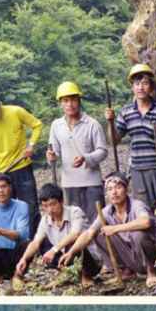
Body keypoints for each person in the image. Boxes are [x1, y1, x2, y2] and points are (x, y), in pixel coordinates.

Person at [59, 172, 156, 290]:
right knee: (100, 235)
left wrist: (115, 229)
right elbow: (89, 234)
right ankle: (126, 271)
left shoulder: (137, 205)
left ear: (126, 190)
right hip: (132, 256)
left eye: (118, 188)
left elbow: (145, 222)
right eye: (110, 189)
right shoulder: (106, 212)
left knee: (137, 234)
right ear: (106, 194)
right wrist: (71, 252)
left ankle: (152, 271)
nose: (114, 192)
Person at [105, 64, 156, 210]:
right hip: (138, 169)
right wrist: (110, 122)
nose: (141, 87)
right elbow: (115, 140)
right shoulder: (126, 112)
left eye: (145, 83)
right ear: (132, 87)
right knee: (143, 208)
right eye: (137, 84)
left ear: (151, 87)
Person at [0, 91, 42, 237]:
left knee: (30, 208)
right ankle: (11, 246)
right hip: (2, 173)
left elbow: (37, 125)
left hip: (22, 167)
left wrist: (31, 145)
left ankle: (35, 244)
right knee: (6, 210)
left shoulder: (16, 112)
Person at [15, 184, 102, 289]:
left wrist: (54, 249)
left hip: (89, 260)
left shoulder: (74, 212)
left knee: (75, 243)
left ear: (61, 201)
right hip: (65, 258)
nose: (49, 209)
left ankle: (86, 276)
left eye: (53, 204)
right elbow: (36, 242)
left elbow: (75, 234)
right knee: (39, 242)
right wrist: (24, 259)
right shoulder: (45, 219)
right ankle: (62, 273)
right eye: (45, 206)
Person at [47, 81, 107, 222]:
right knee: (75, 222)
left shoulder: (92, 124)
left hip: (92, 182)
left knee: (96, 221)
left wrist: (85, 158)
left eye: (73, 99)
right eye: (65, 101)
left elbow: (103, 151)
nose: (70, 104)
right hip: (69, 183)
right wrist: (52, 157)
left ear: (79, 101)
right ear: (61, 104)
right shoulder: (56, 125)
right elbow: (54, 153)